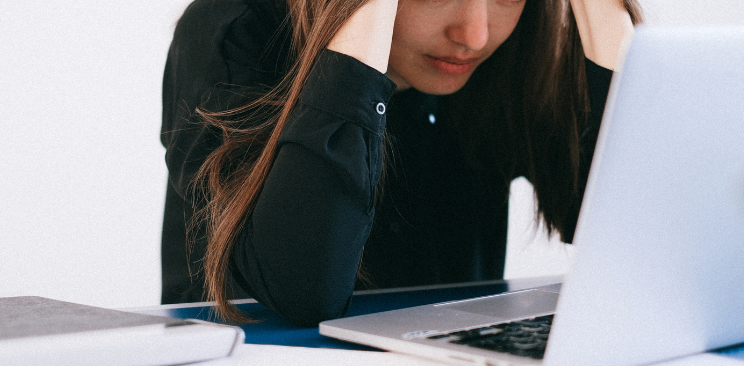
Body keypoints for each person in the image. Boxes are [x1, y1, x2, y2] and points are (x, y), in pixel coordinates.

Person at [160, 0, 643, 326]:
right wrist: (353, 40)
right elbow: (301, 292)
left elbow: (639, 246)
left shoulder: (514, 51)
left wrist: (614, 34)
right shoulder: (233, 31)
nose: (473, 34)